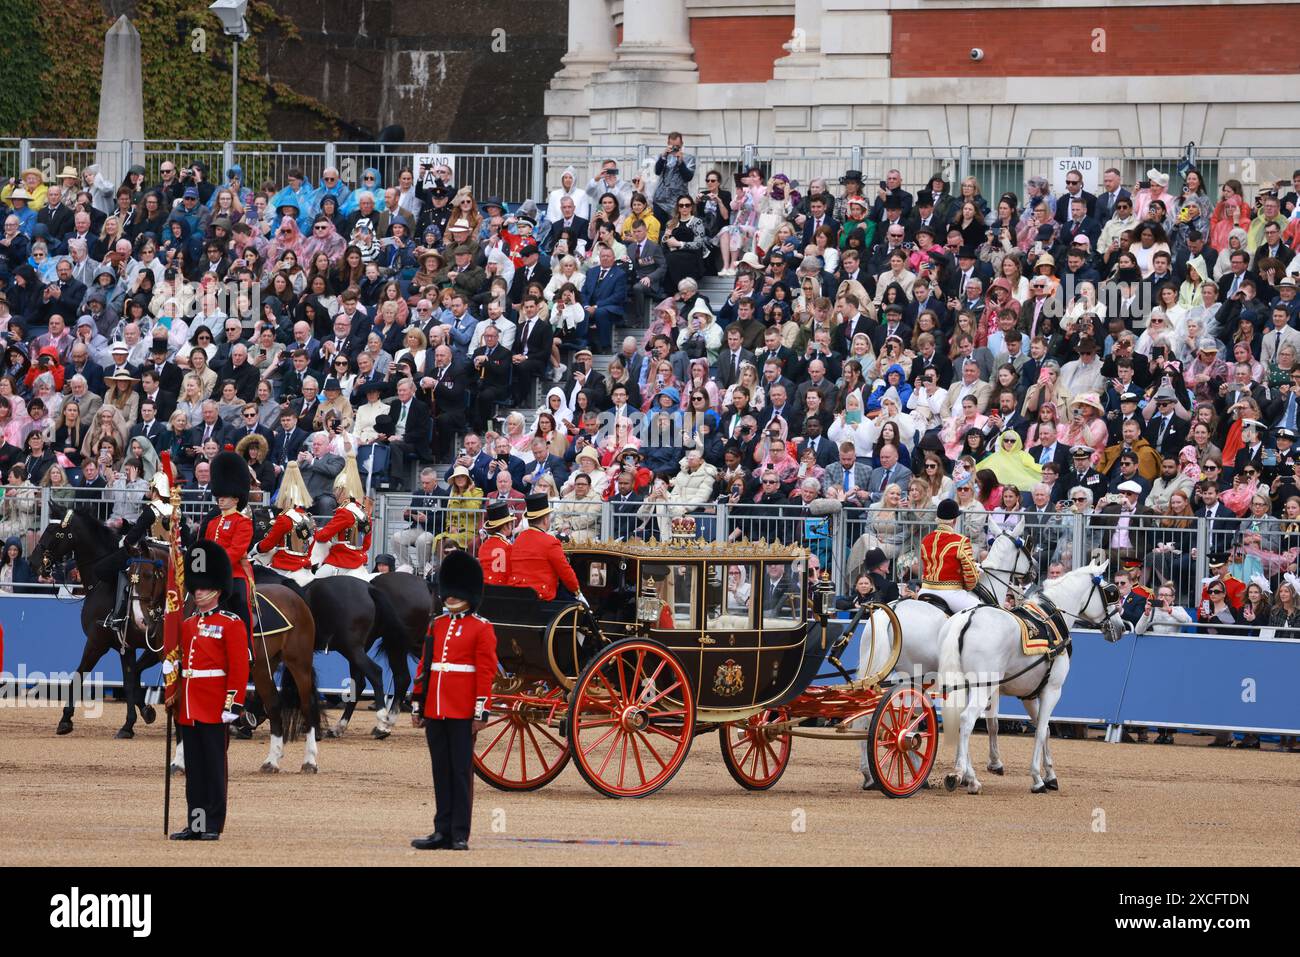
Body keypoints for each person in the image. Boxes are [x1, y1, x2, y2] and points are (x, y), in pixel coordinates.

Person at [410, 549, 497, 851]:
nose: (448, 598)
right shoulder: (438, 625)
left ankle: (459, 833)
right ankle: (441, 830)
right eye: (447, 592)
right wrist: (418, 703)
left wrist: (480, 711)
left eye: (455, 592)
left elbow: (484, 673)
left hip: (462, 710)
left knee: (461, 773)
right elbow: (425, 667)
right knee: (441, 771)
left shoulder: (482, 628)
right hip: (435, 708)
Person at [165, 540, 249, 841]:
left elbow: (238, 668)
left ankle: (212, 824)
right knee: (195, 772)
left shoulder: (232, 624)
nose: (197, 592)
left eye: (203, 588)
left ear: (216, 589)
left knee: (214, 769)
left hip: (215, 705)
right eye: (195, 587)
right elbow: (177, 662)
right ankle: (196, 824)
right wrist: (172, 694)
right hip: (189, 706)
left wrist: (232, 704)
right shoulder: (186, 624)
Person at [203, 449, 255, 646]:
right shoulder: (213, 522)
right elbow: (206, 547)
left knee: (241, 603)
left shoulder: (243, 522)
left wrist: (216, 565)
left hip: (234, 574)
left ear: (236, 498)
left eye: (226, 496)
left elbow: (236, 550)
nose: (221, 499)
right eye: (220, 496)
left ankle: (247, 646)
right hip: (211, 575)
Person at [254, 460, 316, 589]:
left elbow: (268, 544)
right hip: (305, 565)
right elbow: (311, 544)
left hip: (285, 566)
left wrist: (257, 548)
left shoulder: (284, 518)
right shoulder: (308, 517)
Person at [510, 492, 581, 602]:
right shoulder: (550, 542)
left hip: (517, 595)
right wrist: (577, 591)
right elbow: (565, 572)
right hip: (541, 596)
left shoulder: (518, 539)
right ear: (545, 520)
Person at [312, 454, 372, 580]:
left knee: (314, 581)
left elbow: (323, 536)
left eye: (336, 490)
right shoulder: (363, 512)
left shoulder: (344, 512)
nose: (334, 494)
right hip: (359, 560)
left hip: (342, 561)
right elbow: (366, 544)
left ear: (343, 491)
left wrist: (314, 531)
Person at [917, 498, 980, 613]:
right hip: (951, 594)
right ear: (954, 520)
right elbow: (970, 576)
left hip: (924, 591)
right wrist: (968, 586)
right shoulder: (961, 541)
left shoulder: (925, 540)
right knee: (983, 610)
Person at [478, 500, 515, 585]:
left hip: (485, 589)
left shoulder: (483, 546)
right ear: (506, 526)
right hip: (502, 590)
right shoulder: (508, 546)